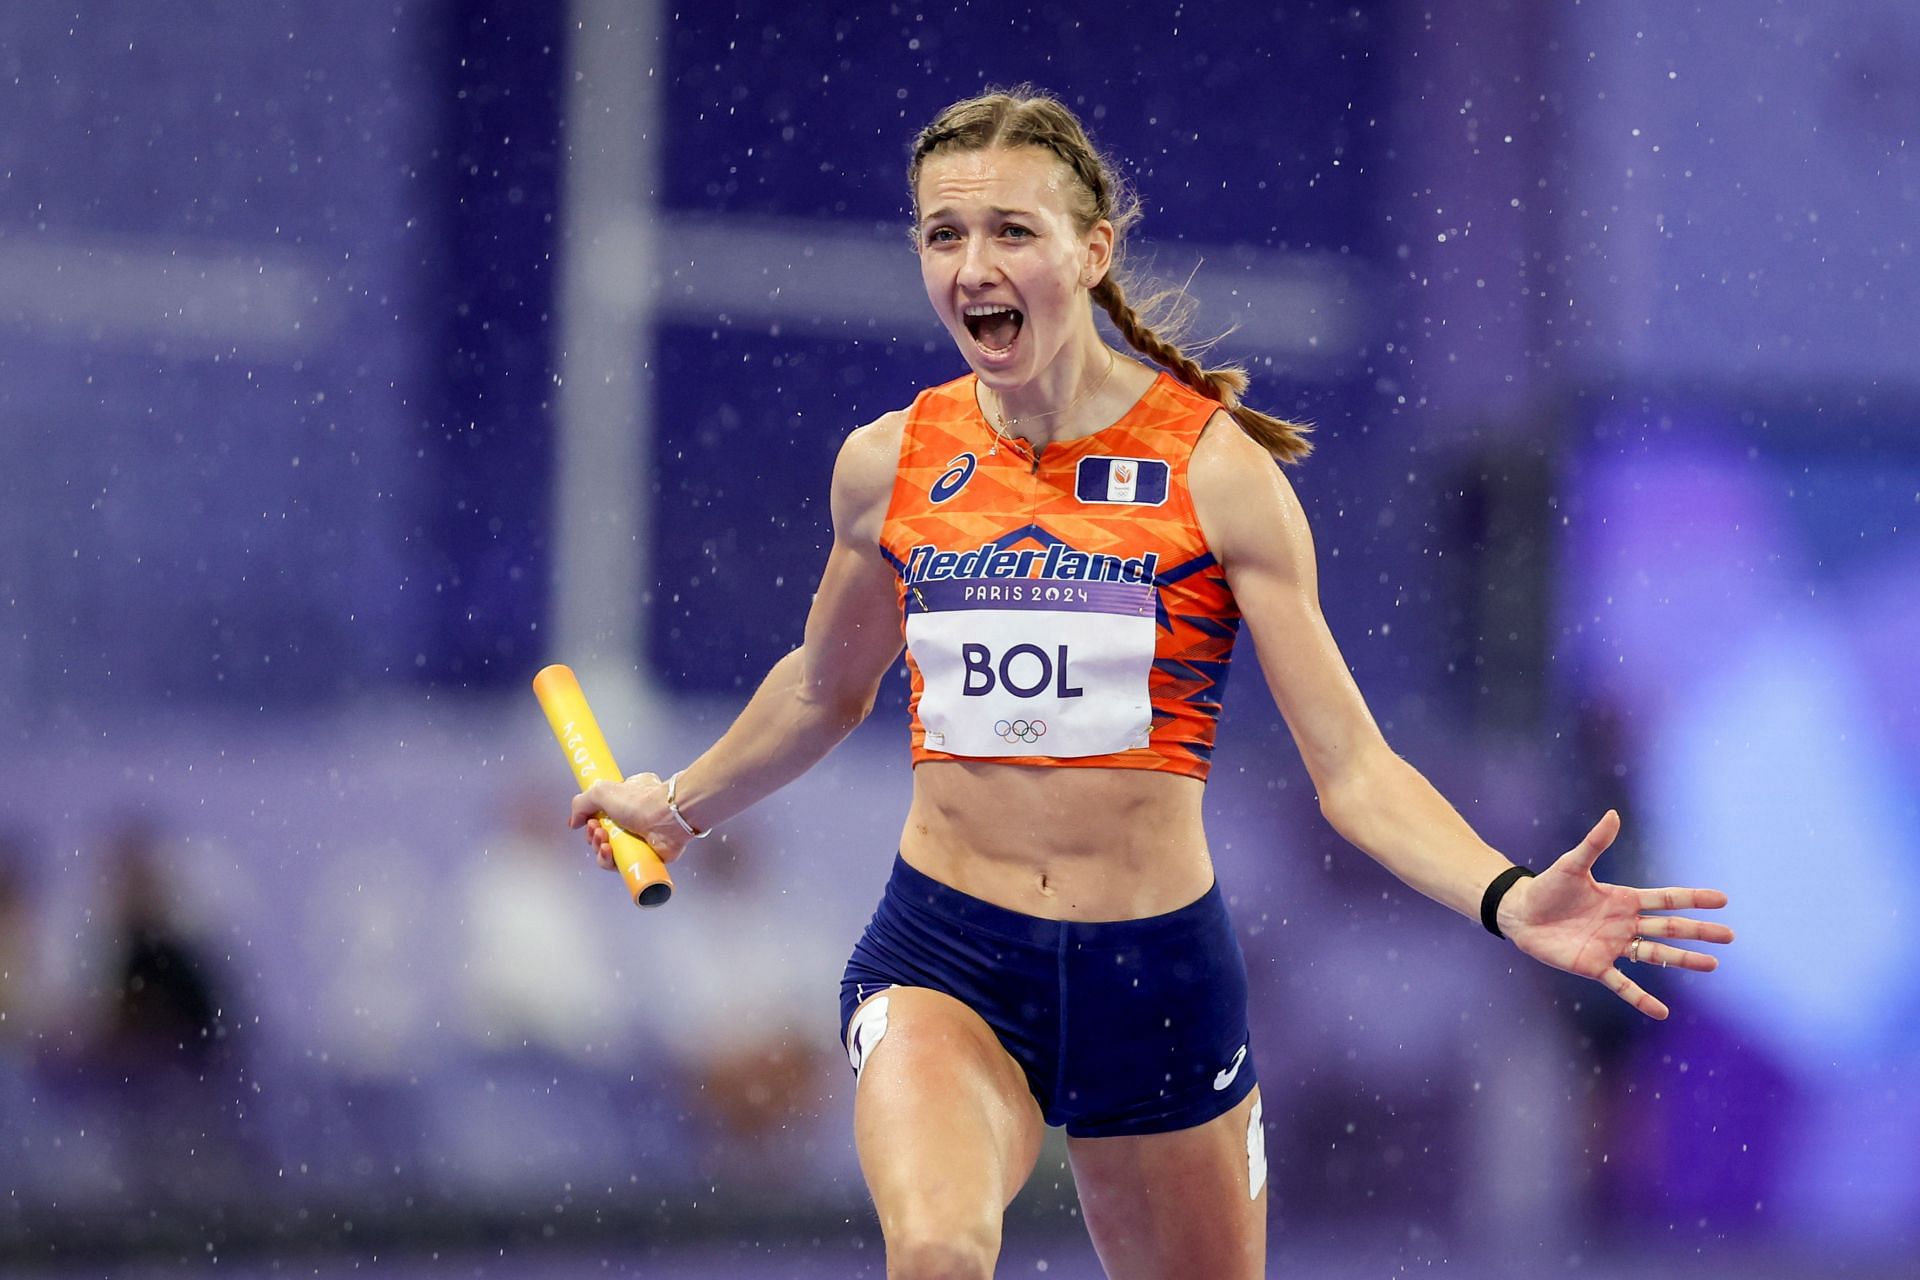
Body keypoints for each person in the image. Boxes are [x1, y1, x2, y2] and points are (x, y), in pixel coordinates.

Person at [568, 86, 1735, 1279]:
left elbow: (1355, 768)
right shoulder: (889, 464)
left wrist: (1507, 896)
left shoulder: (1216, 474)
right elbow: (824, 688)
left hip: (1155, 980)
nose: (975, 265)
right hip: (949, 957)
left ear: (1091, 252)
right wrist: (681, 801)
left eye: (1013, 231)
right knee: (934, 1252)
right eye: (943, 234)